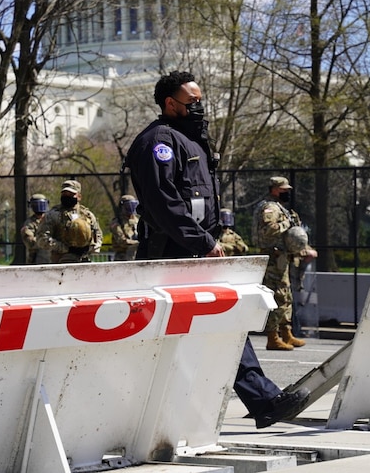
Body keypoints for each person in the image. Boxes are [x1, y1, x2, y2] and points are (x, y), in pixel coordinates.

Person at [125, 70, 310, 429]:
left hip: (195, 254)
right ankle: (144, 412)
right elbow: (163, 203)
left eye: (199, 100)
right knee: (183, 333)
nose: (199, 107)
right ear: (169, 103)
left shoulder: (192, 140)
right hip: (174, 255)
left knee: (223, 324)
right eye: (191, 101)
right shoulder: (158, 142)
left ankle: (263, 400)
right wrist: (203, 242)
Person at [253, 176, 318, 351]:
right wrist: (285, 223)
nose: (287, 192)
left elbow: (290, 235)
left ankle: (286, 332)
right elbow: (268, 231)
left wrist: (303, 250)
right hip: (273, 258)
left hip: (282, 258)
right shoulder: (270, 208)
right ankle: (272, 337)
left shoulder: (280, 208)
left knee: (285, 296)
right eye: (283, 189)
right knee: (278, 297)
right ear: (274, 189)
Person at [36, 179, 103, 263]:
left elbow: (98, 235)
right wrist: (66, 249)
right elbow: (41, 239)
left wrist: (90, 248)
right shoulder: (53, 215)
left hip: (84, 261)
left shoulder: (87, 215)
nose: (67, 196)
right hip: (60, 262)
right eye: (64, 194)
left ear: (79, 196)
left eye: (71, 194)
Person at [20, 193, 52, 264]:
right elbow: (30, 243)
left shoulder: (51, 220)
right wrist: (46, 242)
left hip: (53, 257)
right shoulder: (29, 223)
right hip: (36, 259)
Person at [109, 194, 140, 261]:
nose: (131, 208)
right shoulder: (117, 223)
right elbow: (122, 241)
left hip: (136, 255)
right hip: (123, 257)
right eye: (128, 206)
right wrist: (138, 243)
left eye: (133, 205)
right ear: (122, 207)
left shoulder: (137, 220)